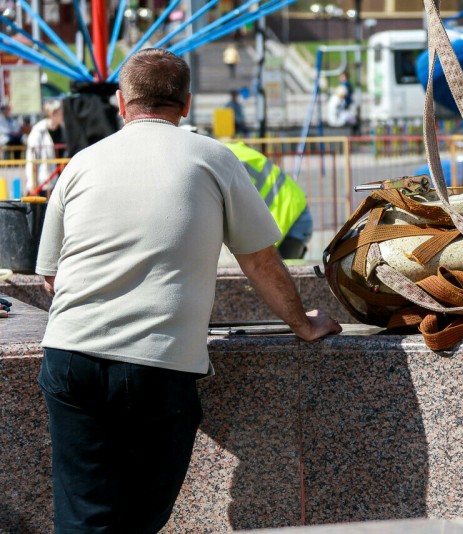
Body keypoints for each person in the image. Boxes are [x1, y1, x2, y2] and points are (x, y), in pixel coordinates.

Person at [35, 48, 341, 533]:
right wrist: (304, 325)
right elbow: (260, 260)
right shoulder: (212, 157)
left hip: (70, 357)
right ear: (187, 103)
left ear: (121, 101)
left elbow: (51, 277)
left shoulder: (79, 164)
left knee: (82, 517)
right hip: (156, 365)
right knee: (139, 517)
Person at [225, 141, 313, 259]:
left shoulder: (216, 162)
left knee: (270, 274)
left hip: (287, 218)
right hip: (295, 208)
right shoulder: (230, 149)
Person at [25, 99, 65, 195]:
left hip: (61, 179)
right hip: (45, 181)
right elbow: (32, 157)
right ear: (52, 113)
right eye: (60, 112)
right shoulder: (39, 131)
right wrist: (31, 181)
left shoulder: (63, 129)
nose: (62, 114)